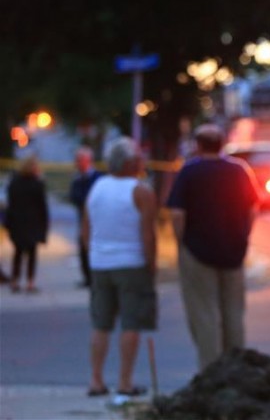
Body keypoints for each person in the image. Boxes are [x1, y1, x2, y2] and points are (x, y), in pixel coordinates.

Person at [167, 124, 261, 370]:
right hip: (233, 251)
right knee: (234, 311)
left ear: (198, 145)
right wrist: (244, 235)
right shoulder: (239, 171)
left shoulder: (189, 172)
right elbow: (253, 208)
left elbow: (177, 213)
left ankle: (211, 370)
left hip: (197, 251)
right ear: (222, 144)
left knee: (205, 312)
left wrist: (181, 242)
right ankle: (237, 367)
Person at [83, 136, 157, 397]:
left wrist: (93, 253)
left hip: (100, 263)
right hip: (131, 262)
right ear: (129, 163)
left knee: (100, 323)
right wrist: (152, 264)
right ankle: (124, 382)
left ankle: (96, 380)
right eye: (138, 158)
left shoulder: (97, 187)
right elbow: (148, 234)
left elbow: (86, 228)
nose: (141, 162)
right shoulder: (141, 191)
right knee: (130, 323)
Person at [3, 155, 49, 293]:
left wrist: (8, 223)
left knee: (18, 253)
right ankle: (30, 282)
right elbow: (42, 207)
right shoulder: (37, 184)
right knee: (32, 253)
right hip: (33, 223)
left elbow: (10, 205)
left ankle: (15, 280)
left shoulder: (14, 183)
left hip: (17, 223)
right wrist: (44, 225)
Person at [69, 146, 103, 288]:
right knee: (83, 247)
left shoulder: (98, 178)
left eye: (79, 160)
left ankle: (96, 277)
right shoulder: (77, 179)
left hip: (98, 221)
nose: (77, 163)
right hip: (83, 219)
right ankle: (88, 278)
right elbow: (74, 197)